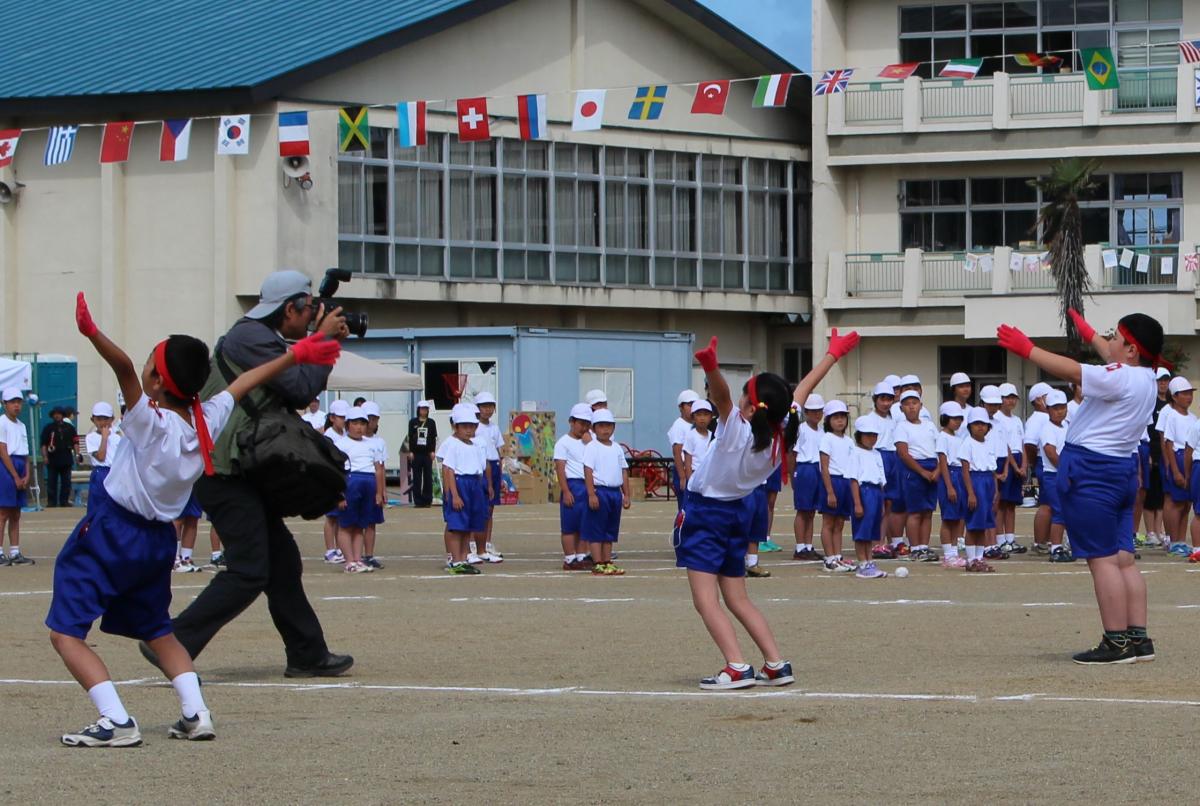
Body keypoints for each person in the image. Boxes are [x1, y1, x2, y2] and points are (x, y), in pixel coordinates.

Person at [51, 291, 339, 747]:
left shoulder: (149, 422)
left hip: (110, 532)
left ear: (159, 383)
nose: (143, 368)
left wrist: (92, 333)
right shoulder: (206, 418)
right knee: (158, 630)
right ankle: (196, 712)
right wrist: (298, 354)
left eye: (152, 364)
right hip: (156, 543)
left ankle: (115, 721)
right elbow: (247, 381)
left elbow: (123, 367)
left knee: (65, 632)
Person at [141, 270, 355, 679]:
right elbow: (300, 389)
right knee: (250, 569)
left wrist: (322, 340)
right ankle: (171, 642)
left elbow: (298, 377)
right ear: (288, 307)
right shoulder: (249, 338)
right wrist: (326, 341)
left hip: (240, 471)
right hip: (221, 471)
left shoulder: (263, 338)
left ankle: (307, 653)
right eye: (308, 308)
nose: (311, 315)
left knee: (282, 561)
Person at [673, 329, 858, 690]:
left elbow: (723, 398)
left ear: (749, 404)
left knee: (705, 600)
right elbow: (800, 390)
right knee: (738, 597)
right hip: (739, 511)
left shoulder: (736, 431)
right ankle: (774, 663)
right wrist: (833, 354)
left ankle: (736, 665)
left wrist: (711, 368)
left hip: (706, 513)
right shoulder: (783, 429)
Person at [998, 309, 1161, 664]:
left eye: (1117, 337)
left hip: (1092, 471)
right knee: (1123, 559)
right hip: (1119, 470)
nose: (1110, 342)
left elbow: (1073, 370)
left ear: (1131, 349)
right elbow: (1108, 355)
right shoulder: (1148, 378)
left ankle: (1116, 642)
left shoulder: (1120, 377)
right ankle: (1138, 638)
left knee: (1101, 560)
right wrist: (1088, 333)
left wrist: (1028, 350)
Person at [438, 403, 490, 575]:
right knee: (457, 525)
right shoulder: (453, 445)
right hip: (460, 484)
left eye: (472, 426)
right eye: (464, 426)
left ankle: (463, 557)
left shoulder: (475, 446)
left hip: (474, 484)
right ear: (456, 427)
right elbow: (449, 470)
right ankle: (455, 560)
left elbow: (480, 467)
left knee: (468, 525)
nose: (468, 430)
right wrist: (454, 495)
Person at [334, 407, 385, 574]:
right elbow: (337, 470)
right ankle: (349, 561)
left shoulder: (372, 444)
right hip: (350, 482)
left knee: (360, 526)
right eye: (355, 423)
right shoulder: (340, 444)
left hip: (369, 484)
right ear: (348, 425)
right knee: (346, 525)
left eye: (362, 423)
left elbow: (378, 469)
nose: (359, 427)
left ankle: (357, 559)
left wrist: (378, 492)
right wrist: (339, 494)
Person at [582, 408, 630, 576]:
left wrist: (626, 494)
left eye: (609, 426)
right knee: (597, 529)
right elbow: (587, 470)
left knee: (610, 530)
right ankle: (597, 562)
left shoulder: (616, 448)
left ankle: (607, 560)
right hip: (600, 491)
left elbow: (624, 470)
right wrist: (591, 494)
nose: (605, 430)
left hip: (614, 493)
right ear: (594, 429)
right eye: (601, 426)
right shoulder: (592, 447)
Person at [894, 390, 939, 562]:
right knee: (914, 512)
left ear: (921, 405)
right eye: (907, 404)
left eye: (915, 403)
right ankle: (914, 548)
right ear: (901, 407)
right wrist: (922, 472)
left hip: (932, 467)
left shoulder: (929, 425)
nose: (911, 407)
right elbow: (903, 454)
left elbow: (940, 449)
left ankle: (924, 546)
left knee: (927, 511)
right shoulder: (901, 427)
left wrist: (936, 471)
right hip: (914, 469)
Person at [863, 381, 902, 559]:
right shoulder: (869, 419)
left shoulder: (893, 419)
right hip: (877, 458)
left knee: (888, 504)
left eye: (889, 399)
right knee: (876, 504)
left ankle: (881, 543)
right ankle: (872, 543)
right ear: (875, 400)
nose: (886, 403)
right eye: (882, 399)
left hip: (892, 458)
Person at [958, 408, 1001, 573]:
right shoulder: (967, 444)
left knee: (983, 524)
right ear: (969, 426)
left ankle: (979, 558)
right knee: (973, 524)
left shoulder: (990, 444)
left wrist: (996, 491)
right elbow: (965, 471)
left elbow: (993, 471)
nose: (980, 427)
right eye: (976, 424)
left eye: (983, 424)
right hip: (975, 481)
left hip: (988, 482)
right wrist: (970, 493)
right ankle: (970, 560)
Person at [1156, 377, 1195, 556]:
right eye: (1184, 394)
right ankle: (1173, 541)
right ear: (1175, 396)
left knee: (1186, 503)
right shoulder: (1170, 415)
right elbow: (1168, 444)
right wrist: (1174, 469)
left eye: (1190, 393)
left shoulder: (1193, 417)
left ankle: (1180, 540)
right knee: (1174, 501)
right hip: (1177, 457)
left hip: (1190, 459)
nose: (1189, 397)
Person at [554, 403, 594, 571]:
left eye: (587, 424)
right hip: (573, 484)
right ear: (571, 421)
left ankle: (581, 555)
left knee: (584, 523)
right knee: (569, 525)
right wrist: (565, 490)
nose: (583, 427)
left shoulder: (590, 442)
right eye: (580, 423)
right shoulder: (563, 443)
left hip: (588, 484)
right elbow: (560, 469)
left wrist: (591, 442)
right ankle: (569, 557)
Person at [818, 400, 855, 572]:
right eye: (835, 418)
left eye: (843, 417)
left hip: (846, 482)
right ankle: (829, 558)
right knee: (828, 522)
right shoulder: (826, 439)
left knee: (840, 522)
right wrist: (830, 492)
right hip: (833, 481)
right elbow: (824, 467)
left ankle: (838, 556)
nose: (840, 421)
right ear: (828, 420)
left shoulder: (849, 441)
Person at [848, 416, 887, 579]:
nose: (872, 439)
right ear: (859, 435)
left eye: (874, 435)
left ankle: (869, 559)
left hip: (876, 493)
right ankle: (862, 563)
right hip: (863, 492)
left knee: (871, 530)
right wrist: (857, 503)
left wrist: (882, 503)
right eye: (868, 435)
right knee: (862, 530)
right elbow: (853, 479)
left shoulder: (877, 454)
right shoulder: (855, 453)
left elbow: (881, 480)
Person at [1038, 390, 1073, 563]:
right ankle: (1055, 547)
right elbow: (1050, 452)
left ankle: (1064, 545)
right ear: (1048, 410)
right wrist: (1065, 470)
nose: (1059, 411)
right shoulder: (1047, 428)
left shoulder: (1068, 426)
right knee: (1058, 510)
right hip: (1053, 475)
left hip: (1066, 474)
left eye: (1062, 407)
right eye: (1055, 408)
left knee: (1068, 511)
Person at [470, 392, 504, 564]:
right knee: (477, 508)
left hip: (494, 466)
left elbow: (499, 450)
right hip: (481, 468)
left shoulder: (494, 428)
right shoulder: (473, 428)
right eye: (484, 406)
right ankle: (473, 544)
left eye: (491, 406)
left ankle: (487, 542)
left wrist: (502, 473)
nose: (488, 410)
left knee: (490, 509)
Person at [790, 394, 825, 561]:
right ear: (807, 412)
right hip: (804, 468)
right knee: (802, 510)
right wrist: (793, 475)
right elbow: (793, 453)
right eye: (813, 411)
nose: (816, 414)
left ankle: (809, 546)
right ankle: (800, 546)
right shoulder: (800, 429)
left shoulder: (822, 431)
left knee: (811, 511)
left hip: (817, 469)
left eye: (819, 411)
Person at [0, 387, 33, 566]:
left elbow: (25, 452)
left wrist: (26, 474)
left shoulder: (22, 425)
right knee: (3, 511)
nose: (16, 405)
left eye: (19, 402)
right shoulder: (1, 422)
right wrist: (14, 475)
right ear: (4, 404)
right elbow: (2, 450)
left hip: (20, 464)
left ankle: (15, 551)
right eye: (12, 402)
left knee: (16, 513)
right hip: (7, 467)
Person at [994, 383, 1027, 554]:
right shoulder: (997, 418)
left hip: (1018, 459)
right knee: (1001, 503)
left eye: (1013, 397)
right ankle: (1000, 540)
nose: (1011, 401)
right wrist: (1014, 465)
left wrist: (1024, 465)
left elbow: (1021, 443)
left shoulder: (1017, 420)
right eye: (1007, 397)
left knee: (1012, 504)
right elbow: (1004, 445)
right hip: (1006, 460)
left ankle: (1010, 538)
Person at [935, 401, 967, 569]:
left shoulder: (958, 438)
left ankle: (954, 552)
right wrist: (949, 486)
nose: (957, 422)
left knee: (957, 519)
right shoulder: (942, 437)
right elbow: (943, 463)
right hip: (950, 476)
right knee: (948, 519)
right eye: (953, 418)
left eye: (959, 419)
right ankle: (948, 554)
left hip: (960, 474)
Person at [1023, 382, 1053, 554]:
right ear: (1039, 400)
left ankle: (1047, 540)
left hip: (1049, 462)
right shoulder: (1037, 419)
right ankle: (1040, 541)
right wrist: (1034, 463)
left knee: (1051, 503)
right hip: (1044, 462)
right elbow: (1030, 444)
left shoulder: (1047, 417)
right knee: (1047, 504)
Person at [321, 399, 350, 565]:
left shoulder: (345, 434)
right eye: (341, 417)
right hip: (332, 477)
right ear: (332, 418)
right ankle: (329, 549)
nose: (344, 421)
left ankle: (339, 547)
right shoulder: (328, 436)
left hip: (343, 476)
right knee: (331, 517)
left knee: (340, 515)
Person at [361, 400, 387, 569]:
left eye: (374, 418)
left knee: (371, 522)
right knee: (355, 522)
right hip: (358, 483)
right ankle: (355, 555)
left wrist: (382, 490)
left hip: (373, 484)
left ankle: (369, 555)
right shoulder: (353, 440)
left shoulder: (379, 442)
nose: (371, 422)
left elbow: (381, 468)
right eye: (368, 418)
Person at [83, 402, 121, 516]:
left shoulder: (117, 437)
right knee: (97, 506)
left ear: (112, 420)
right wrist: (104, 438)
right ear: (93, 420)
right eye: (99, 419)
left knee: (115, 506)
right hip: (100, 473)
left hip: (114, 472)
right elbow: (100, 457)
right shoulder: (91, 437)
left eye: (106, 419)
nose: (103, 423)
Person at [668, 389, 699, 511]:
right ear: (681, 407)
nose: (692, 408)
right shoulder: (679, 425)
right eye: (689, 404)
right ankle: (679, 530)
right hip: (684, 471)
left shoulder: (698, 425)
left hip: (696, 470)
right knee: (685, 508)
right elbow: (677, 452)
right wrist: (682, 476)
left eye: (695, 404)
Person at [41, 406, 77, 507]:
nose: (57, 416)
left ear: (62, 415)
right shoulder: (48, 428)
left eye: (59, 413)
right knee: (52, 482)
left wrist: (77, 455)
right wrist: (45, 457)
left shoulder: (70, 428)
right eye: (55, 414)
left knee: (66, 482)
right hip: (52, 459)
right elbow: (43, 444)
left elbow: (75, 442)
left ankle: (64, 501)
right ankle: (51, 502)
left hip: (66, 459)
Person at [405, 400, 437, 508]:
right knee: (417, 478)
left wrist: (433, 451)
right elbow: (410, 437)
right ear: (418, 410)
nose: (424, 411)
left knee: (428, 477)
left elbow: (433, 438)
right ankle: (418, 500)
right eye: (422, 409)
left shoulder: (431, 423)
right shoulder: (413, 422)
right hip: (416, 453)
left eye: (426, 409)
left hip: (427, 453)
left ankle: (427, 499)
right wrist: (410, 451)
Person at [173, 494, 205, 573]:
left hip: (195, 484)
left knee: (193, 517)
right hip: (180, 485)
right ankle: (174, 560)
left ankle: (186, 559)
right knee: (178, 518)